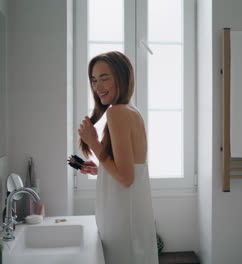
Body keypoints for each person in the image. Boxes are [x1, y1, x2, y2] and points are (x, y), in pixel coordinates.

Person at [77, 51, 159, 264]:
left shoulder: (117, 113)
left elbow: (126, 178)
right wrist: (101, 169)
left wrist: (93, 142)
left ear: (122, 78)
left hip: (122, 220)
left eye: (105, 78)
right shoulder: (131, 111)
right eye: (94, 80)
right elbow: (131, 169)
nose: (98, 87)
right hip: (129, 216)